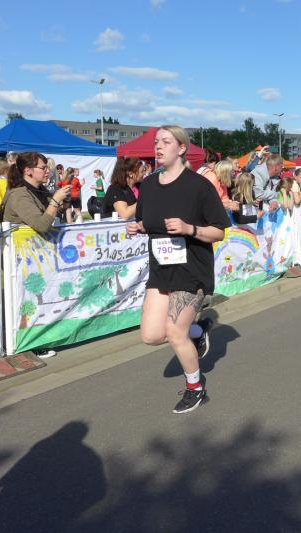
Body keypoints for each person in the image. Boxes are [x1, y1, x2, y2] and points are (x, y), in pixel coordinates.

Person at [126, 125, 231, 414]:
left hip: (192, 269)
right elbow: (149, 221)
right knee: (150, 335)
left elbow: (219, 231)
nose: (158, 147)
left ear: (181, 148)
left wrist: (189, 228)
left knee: (174, 332)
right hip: (162, 269)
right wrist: (138, 227)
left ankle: (195, 389)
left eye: (166, 142)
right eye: (156, 142)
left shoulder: (199, 186)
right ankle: (198, 331)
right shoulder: (148, 185)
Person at [0, 152, 71, 235]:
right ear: (28, 170)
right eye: (43, 168)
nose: (48, 171)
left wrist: (65, 200)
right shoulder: (18, 194)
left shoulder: (39, 188)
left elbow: (56, 210)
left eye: (47, 167)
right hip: (21, 241)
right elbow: (41, 226)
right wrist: (55, 200)